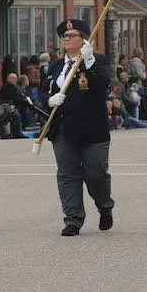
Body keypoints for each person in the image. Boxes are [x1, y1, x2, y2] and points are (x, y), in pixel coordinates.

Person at [44, 18, 114, 237]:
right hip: (63, 129)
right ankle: (73, 219)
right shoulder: (56, 67)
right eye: (64, 36)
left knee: (96, 174)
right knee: (68, 175)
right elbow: (43, 93)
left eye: (72, 35)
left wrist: (90, 61)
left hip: (91, 129)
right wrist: (48, 101)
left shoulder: (97, 61)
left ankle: (104, 205)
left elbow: (102, 85)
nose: (67, 39)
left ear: (84, 40)